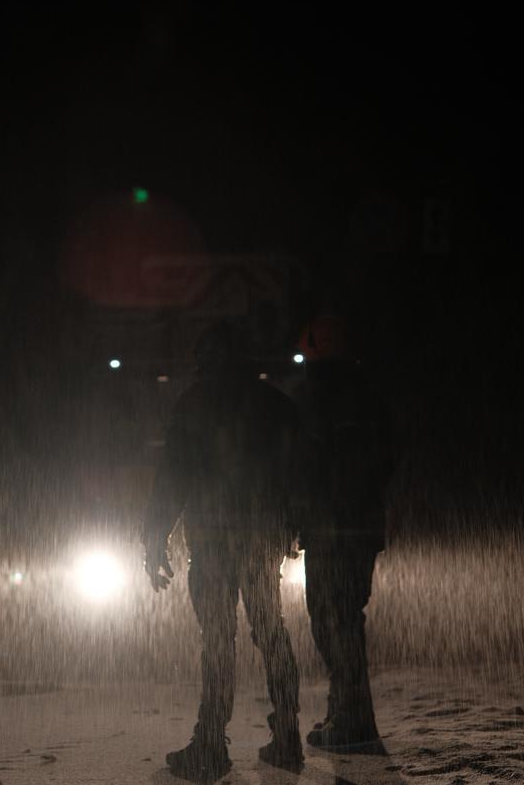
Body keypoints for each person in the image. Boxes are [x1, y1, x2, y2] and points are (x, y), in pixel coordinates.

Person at [142, 321, 303, 781]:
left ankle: (211, 743)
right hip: (259, 537)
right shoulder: (274, 405)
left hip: (212, 540)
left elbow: (172, 478)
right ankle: (287, 735)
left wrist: (154, 539)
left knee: (217, 640)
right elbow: (298, 472)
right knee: (271, 630)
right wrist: (295, 525)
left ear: (205, 359)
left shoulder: (194, 405)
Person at [293, 313, 400, 751]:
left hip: (331, 530)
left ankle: (352, 718)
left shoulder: (322, 398)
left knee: (332, 620)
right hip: (358, 527)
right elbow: (384, 461)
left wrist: (301, 516)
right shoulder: (368, 395)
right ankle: (348, 713)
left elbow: (307, 467)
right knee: (342, 618)